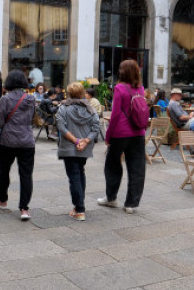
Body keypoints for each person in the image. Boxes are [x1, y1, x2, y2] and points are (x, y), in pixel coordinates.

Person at [98, 59, 148, 214]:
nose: (119, 71)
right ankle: (131, 204)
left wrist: (108, 136)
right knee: (137, 168)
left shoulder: (119, 88)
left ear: (123, 72)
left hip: (121, 133)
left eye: (120, 69)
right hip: (138, 132)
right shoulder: (140, 88)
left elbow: (115, 115)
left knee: (112, 164)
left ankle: (111, 198)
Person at [0, 69, 36, 220]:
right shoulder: (31, 99)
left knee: (4, 170)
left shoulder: (5, 99)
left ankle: (2, 200)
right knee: (26, 174)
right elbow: (31, 118)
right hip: (27, 141)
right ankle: (24, 209)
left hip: (7, 141)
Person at [56, 82, 100, 221]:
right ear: (82, 93)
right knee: (80, 172)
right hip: (84, 148)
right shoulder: (90, 109)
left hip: (69, 147)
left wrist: (75, 141)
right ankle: (79, 206)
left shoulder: (63, 108)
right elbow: (95, 128)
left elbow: (61, 127)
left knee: (74, 176)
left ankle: (79, 209)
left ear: (69, 93)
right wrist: (85, 141)